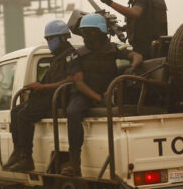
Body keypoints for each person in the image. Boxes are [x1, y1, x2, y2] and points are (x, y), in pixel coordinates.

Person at [61, 14, 143, 176]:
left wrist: (133, 66)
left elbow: (136, 55)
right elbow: (79, 82)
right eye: (84, 32)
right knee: (73, 111)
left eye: (90, 32)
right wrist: (99, 99)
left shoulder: (114, 48)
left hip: (110, 92)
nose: (86, 36)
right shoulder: (75, 54)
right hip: (85, 95)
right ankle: (74, 161)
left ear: (101, 32)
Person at [3, 20, 76, 172]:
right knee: (15, 111)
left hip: (59, 98)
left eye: (50, 39)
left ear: (62, 38)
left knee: (23, 115)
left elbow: (71, 80)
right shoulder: (57, 56)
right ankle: (18, 153)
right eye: (47, 39)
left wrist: (42, 87)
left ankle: (26, 158)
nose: (48, 42)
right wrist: (36, 86)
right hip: (48, 96)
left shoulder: (70, 55)